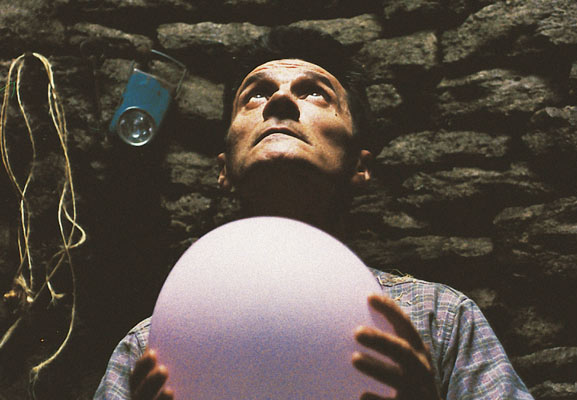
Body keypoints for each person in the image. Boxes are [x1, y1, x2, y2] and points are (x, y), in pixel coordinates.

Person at [94, 32, 533, 400]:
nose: (280, 100)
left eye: (314, 92)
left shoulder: (442, 321)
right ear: (223, 169)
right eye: (256, 94)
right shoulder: (149, 350)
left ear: (360, 165)